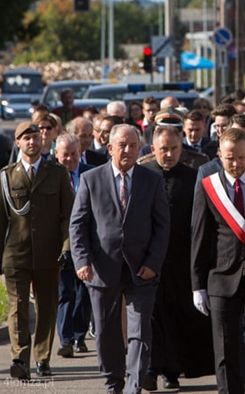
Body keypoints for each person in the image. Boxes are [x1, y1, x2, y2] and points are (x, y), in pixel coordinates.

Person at [69, 124, 170, 394]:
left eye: (133, 146)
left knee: (140, 331)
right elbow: (78, 224)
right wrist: (82, 261)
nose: (127, 150)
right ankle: (113, 382)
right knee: (106, 331)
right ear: (110, 148)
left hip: (142, 270)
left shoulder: (152, 180)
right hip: (102, 269)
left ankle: (134, 385)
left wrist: (153, 263)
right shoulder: (91, 179)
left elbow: (162, 226)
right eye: (122, 145)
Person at [191, 128, 245, 394]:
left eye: (241, 157)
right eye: (230, 158)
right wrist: (198, 285)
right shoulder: (209, 186)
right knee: (225, 351)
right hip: (222, 277)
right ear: (220, 155)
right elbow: (200, 236)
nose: (236, 164)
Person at [0, 122, 74, 379]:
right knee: (18, 307)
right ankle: (20, 359)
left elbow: (68, 216)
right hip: (16, 254)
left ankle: (42, 357)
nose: (32, 142)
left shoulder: (57, 173)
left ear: (42, 141)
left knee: (47, 308)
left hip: (49, 253)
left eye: (35, 137)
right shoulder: (6, 176)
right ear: (18, 143)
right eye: (26, 138)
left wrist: (67, 247)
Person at [140, 125, 214, 391]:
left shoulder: (194, 178)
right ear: (153, 149)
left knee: (176, 316)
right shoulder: (142, 175)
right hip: (149, 260)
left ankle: (172, 369)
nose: (169, 154)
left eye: (174, 149)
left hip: (182, 259)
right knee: (150, 315)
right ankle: (150, 368)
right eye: (164, 149)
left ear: (182, 149)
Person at [54, 134, 93, 358]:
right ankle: (66, 339)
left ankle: (79, 335)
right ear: (56, 154)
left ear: (80, 153)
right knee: (64, 292)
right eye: (64, 154)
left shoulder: (91, 174)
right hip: (61, 244)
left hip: (87, 243)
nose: (69, 159)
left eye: (73, 154)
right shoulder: (50, 176)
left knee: (84, 293)